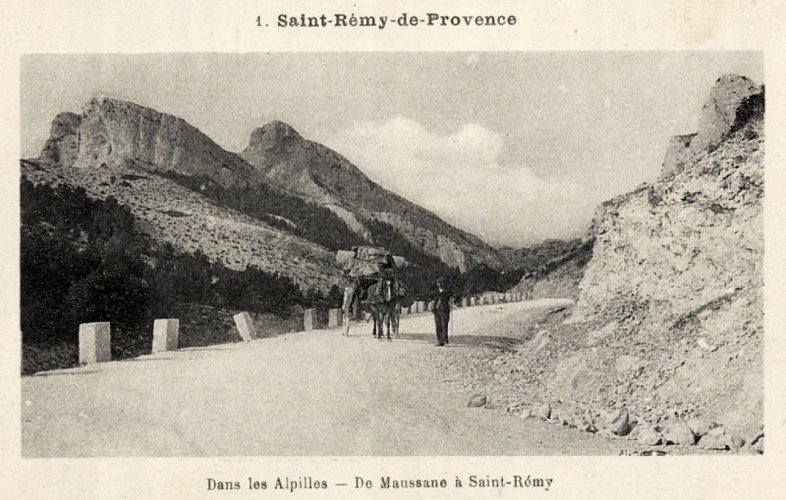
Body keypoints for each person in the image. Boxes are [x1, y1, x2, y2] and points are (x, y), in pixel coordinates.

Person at [431, 277, 451, 346]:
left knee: (444, 325)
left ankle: (445, 340)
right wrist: (433, 308)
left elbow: (449, 299)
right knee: (438, 325)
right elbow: (433, 300)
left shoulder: (447, 291)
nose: (439, 285)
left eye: (441, 283)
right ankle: (439, 341)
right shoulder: (435, 292)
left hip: (444, 310)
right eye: (438, 283)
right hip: (437, 310)